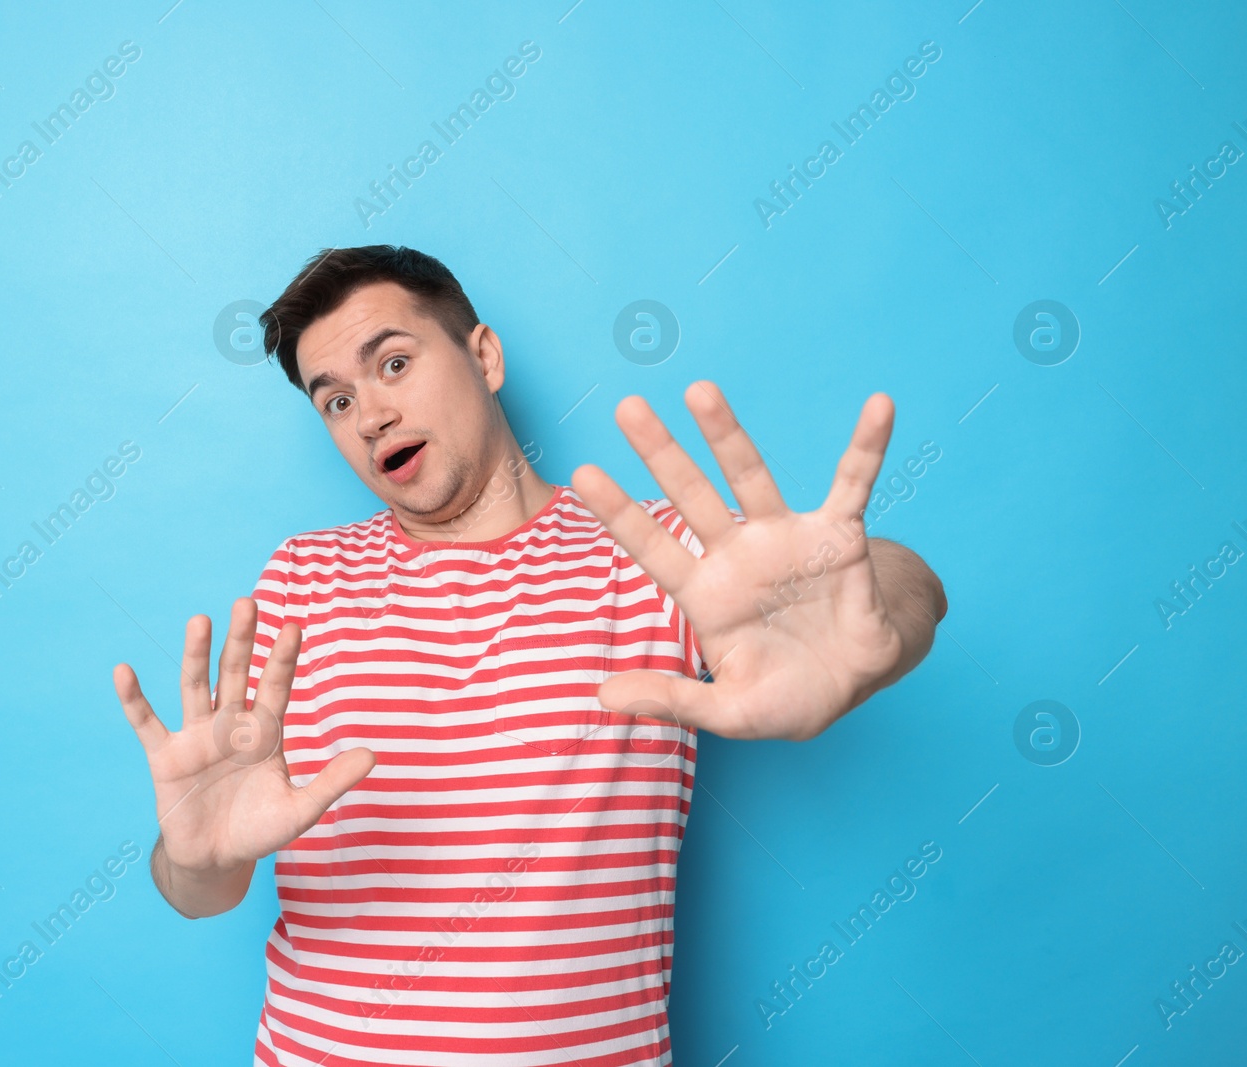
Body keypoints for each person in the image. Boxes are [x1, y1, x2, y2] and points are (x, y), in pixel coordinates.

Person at [112, 245, 947, 1066]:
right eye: (334, 401)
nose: (369, 416)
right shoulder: (303, 577)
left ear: (484, 355)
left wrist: (852, 619)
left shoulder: (651, 551)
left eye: (393, 363)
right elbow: (201, 889)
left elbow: (906, 585)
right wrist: (196, 858)